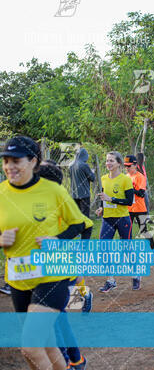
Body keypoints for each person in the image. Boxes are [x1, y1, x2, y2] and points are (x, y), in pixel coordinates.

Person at [0, 136, 93, 370]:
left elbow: (85, 224)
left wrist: (61, 242)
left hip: (55, 270)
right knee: (47, 339)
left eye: (16, 160)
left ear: (33, 163)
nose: (10, 166)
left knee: (37, 340)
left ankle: (77, 358)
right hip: (20, 277)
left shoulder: (55, 195)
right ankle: (74, 363)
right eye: (6, 161)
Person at [38, 159, 88, 369]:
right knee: (58, 314)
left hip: (55, 265)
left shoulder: (57, 200)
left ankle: (67, 362)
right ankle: (76, 359)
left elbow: (84, 225)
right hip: (48, 265)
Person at [95, 151, 140, 291]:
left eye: (111, 161)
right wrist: (101, 208)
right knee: (103, 249)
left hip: (123, 219)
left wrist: (112, 199)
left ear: (119, 163)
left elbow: (129, 201)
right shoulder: (103, 178)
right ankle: (110, 280)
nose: (108, 163)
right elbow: (104, 197)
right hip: (107, 219)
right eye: (107, 161)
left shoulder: (125, 179)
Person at [124, 155, 154, 250]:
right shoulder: (126, 177)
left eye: (129, 166)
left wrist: (130, 189)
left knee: (143, 230)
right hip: (129, 208)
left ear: (135, 165)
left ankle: (152, 248)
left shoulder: (140, 177)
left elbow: (141, 194)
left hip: (139, 208)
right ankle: (128, 251)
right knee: (126, 230)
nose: (127, 168)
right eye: (126, 166)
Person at [69, 147, 95, 240]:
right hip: (84, 195)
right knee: (85, 218)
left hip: (74, 194)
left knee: (77, 216)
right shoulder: (84, 165)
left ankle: (77, 232)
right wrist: (92, 172)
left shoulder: (70, 165)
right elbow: (92, 178)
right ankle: (84, 238)